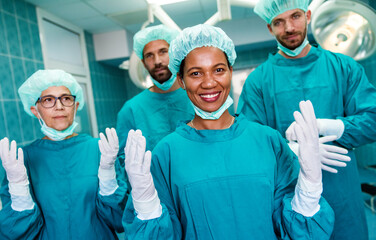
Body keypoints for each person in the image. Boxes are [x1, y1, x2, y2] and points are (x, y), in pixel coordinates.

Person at [122, 24, 334, 239]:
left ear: (231, 71)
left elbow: (298, 231)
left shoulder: (268, 141)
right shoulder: (165, 153)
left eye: (219, 70)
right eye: (196, 73)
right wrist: (147, 206)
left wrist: (309, 188)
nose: (209, 82)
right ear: (181, 81)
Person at [237, 0, 376, 239]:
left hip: (342, 190)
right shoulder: (258, 81)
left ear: (308, 15)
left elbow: (373, 118)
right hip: (290, 195)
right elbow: (250, 142)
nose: (289, 27)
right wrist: (291, 150)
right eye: (278, 22)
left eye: (295, 17)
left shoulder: (343, 67)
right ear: (270, 28)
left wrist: (334, 126)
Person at [0, 69, 127, 239]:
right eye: (48, 100)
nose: (59, 106)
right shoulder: (22, 161)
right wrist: (19, 190)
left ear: (76, 106)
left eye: (66, 98)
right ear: (35, 110)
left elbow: (120, 220)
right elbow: (14, 233)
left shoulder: (101, 150)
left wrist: (108, 179)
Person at [116, 24, 194, 166]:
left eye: (163, 51)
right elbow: (124, 161)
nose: (157, 61)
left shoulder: (197, 97)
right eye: (149, 56)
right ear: (144, 63)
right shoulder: (131, 110)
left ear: (175, 55)